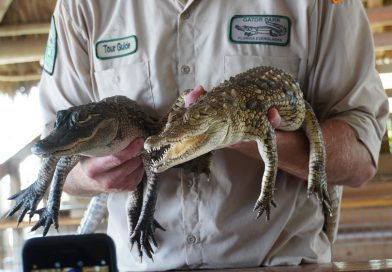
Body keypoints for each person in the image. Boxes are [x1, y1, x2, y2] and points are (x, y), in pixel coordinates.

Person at [38, 0, 388, 271]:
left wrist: (238, 130)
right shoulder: (80, 6)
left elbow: (361, 156)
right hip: (139, 263)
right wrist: (92, 178)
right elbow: (56, 154)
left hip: (279, 265)